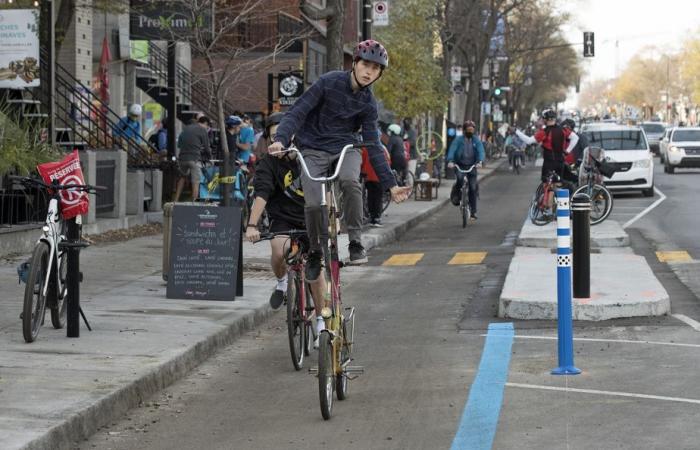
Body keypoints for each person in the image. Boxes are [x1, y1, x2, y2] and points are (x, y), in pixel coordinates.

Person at [268, 39, 411, 282]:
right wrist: (281, 139)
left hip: (347, 147)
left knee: (350, 181)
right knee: (313, 203)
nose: (369, 72)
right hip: (312, 147)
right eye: (366, 64)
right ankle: (314, 251)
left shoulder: (368, 103)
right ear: (355, 62)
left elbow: (373, 144)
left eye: (376, 69)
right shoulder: (328, 82)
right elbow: (298, 112)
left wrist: (391, 184)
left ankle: (355, 242)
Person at [246, 113, 327, 346]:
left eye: (282, 136)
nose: (278, 142)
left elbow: (325, 188)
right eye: (273, 138)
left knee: (316, 270)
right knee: (279, 251)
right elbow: (261, 194)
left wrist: (333, 219)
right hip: (283, 219)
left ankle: (321, 321)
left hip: (311, 218)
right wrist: (252, 225)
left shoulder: (309, 157)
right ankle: (282, 283)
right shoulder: (268, 163)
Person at [515, 110, 579, 186]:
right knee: (558, 184)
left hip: (549, 163)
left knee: (547, 185)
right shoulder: (563, 130)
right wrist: (567, 151)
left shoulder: (544, 132)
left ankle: (548, 197)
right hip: (560, 162)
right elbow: (575, 138)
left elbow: (529, 141)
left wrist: (517, 132)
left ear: (545, 120)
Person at [446, 120, 485, 220]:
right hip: (460, 165)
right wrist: (450, 160)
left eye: (472, 130)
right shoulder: (458, 140)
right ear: (464, 130)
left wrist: (480, 161)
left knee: (472, 187)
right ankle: (456, 194)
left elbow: (481, 150)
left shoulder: (476, 140)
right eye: (468, 130)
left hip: (472, 166)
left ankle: (473, 212)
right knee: (459, 179)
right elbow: (452, 149)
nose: (470, 131)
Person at [174, 115, 212, 202]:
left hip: (182, 158)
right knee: (196, 181)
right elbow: (207, 147)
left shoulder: (184, 130)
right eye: (207, 126)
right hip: (194, 159)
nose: (207, 128)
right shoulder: (202, 130)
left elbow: (179, 145)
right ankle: (193, 202)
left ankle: (175, 200)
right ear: (205, 124)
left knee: (182, 178)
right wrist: (209, 157)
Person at [362, 135, 391, 227]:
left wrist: (363, 171)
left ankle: (371, 217)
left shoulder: (365, 147)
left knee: (370, 197)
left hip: (368, 177)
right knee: (378, 198)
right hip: (379, 176)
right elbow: (388, 162)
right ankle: (377, 218)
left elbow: (361, 161)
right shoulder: (382, 148)